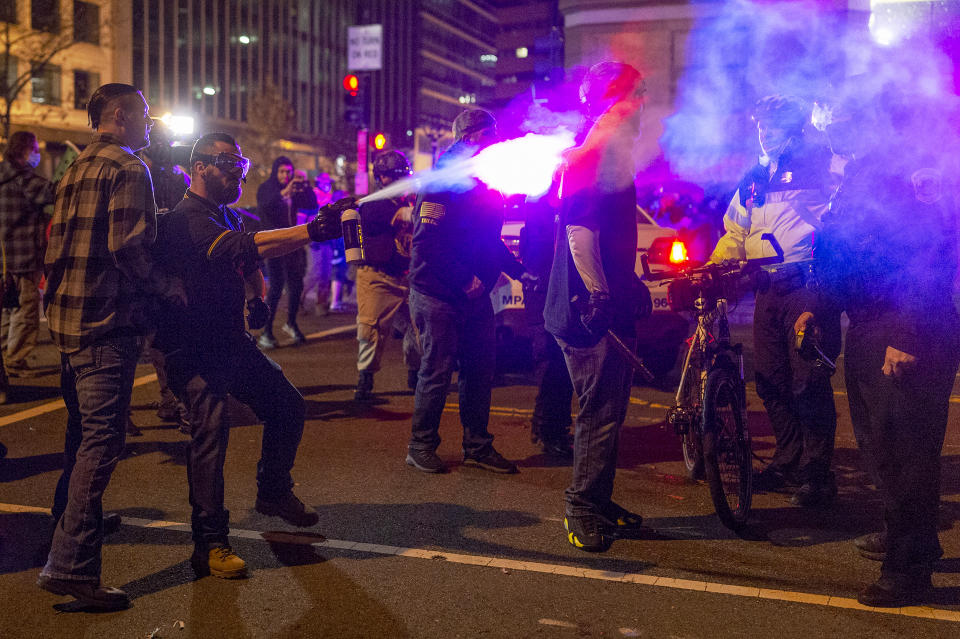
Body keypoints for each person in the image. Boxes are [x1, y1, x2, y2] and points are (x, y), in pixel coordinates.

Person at [153, 132, 353, 579]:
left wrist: (256, 295)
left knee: (287, 406)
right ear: (199, 167)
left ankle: (273, 491)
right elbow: (243, 246)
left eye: (239, 165)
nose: (237, 172)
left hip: (228, 338)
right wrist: (313, 230)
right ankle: (210, 544)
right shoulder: (187, 220)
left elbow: (249, 258)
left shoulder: (225, 214)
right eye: (227, 164)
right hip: (193, 346)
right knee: (210, 438)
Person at [803, 90, 959, 607]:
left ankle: (908, 570)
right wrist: (817, 308)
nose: (829, 130)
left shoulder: (908, 171)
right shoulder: (861, 173)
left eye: (838, 119)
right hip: (870, 325)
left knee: (906, 455)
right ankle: (910, 539)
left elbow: (931, 255)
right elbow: (841, 250)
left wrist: (908, 335)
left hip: (907, 327)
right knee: (881, 449)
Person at [39, 83, 186, 610]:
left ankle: (68, 528)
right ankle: (73, 567)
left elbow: (57, 244)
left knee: (81, 435)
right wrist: (166, 285)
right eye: (145, 113)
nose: (150, 123)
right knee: (102, 443)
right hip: (107, 319)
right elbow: (128, 246)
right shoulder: (128, 167)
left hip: (68, 319)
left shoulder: (75, 166)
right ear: (119, 115)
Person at [710, 95, 841, 507]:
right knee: (770, 380)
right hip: (767, 288)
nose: (765, 135)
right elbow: (735, 232)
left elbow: (843, 220)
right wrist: (713, 270)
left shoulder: (823, 163)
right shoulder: (754, 176)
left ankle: (817, 475)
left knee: (809, 381)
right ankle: (788, 460)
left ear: (795, 127)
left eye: (773, 127)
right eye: (761, 127)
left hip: (807, 284)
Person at [543, 61, 646, 552]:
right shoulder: (598, 152)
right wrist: (602, 295)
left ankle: (599, 502)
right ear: (614, 100)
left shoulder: (605, 148)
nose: (643, 105)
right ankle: (582, 508)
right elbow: (580, 230)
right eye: (636, 94)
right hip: (587, 312)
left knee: (609, 413)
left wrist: (626, 287)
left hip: (597, 304)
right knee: (598, 415)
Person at [405, 109, 529, 474]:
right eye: (490, 133)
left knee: (479, 369)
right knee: (437, 370)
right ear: (471, 136)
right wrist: (463, 279)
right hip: (439, 292)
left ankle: (477, 446)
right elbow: (427, 242)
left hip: (474, 293)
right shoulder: (444, 178)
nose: (497, 139)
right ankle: (420, 445)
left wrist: (522, 272)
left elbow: (488, 241)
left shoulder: (485, 178)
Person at [138, 119, 193, 431]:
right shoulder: (141, 173)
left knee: (165, 339)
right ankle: (175, 399)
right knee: (163, 338)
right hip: (154, 265)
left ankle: (174, 399)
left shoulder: (174, 175)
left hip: (167, 264)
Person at [354, 151, 421, 401]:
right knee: (371, 330)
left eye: (403, 175)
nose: (401, 180)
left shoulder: (412, 200)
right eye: (395, 177)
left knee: (420, 329)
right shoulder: (372, 204)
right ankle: (365, 384)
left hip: (410, 276)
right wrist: (407, 211)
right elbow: (379, 218)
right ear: (381, 178)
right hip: (378, 277)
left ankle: (415, 377)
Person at [521, 187, 573, 459]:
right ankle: (549, 431)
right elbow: (539, 258)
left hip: (549, 297)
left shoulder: (544, 210)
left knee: (557, 366)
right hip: (544, 298)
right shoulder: (541, 212)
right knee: (552, 365)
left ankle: (549, 428)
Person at [0, 130, 55, 378]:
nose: (37, 154)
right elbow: (53, 192)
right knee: (26, 310)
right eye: (35, 149)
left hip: (3, 259)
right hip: (23, 256)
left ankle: (4, 356)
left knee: (7, 309)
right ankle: (15, 360)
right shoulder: (24, 181)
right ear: (25, 151)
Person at [256, 156, 317, 348]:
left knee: (296, 285)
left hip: (292, 244)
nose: (286, 175)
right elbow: (266, 205)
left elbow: (312, 204)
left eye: (289, 172)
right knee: (275, 288)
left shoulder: (296, 190)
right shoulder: (267, 188)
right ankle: (266, 331)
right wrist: (284, 193)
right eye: (282, 172)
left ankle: (291, 322)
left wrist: (305, 186)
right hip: (274, 244)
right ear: (276, 172)